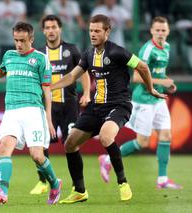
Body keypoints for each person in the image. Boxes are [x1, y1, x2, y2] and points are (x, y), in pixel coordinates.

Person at [51, 14, 166, 204]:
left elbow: (143, 67)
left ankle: (123, 183)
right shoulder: (88, 54)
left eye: (97, 31)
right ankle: (79, 191)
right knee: (70, 144)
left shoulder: (117, 52)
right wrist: (49, 87)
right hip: (96, 107)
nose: (93, 34)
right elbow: (72, 76)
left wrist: (151, 88)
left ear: (107, 32)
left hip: (119, 105)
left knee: (106, 136)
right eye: (91, 30)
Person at [0, 21, 62, 205]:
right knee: (4, 147)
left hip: (33, 110)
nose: (19, 44)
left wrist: (48, 118)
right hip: (11, 110)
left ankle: (55, 184)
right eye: (16, 40)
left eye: (23, 40)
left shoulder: (41, 59)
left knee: (37, 156)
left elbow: (47, 91)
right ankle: (3, 191)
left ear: (31, 38)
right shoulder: (9, 55)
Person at [98, 16, 182, 189]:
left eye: (163, 30)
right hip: (144, 101)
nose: (160, 33)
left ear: (168, 32)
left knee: (166, 136)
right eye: (157, 30)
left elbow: (157, 74)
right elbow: (136, 77)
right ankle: (107, 159)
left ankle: (162, 180)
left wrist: (166, 82)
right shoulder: (147, 50)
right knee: (142, 142)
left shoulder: (166, 47)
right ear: (151, 31)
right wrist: (162, 83)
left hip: (158, 99)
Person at [29, 14, 91, 195]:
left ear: (60, 29)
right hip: (47, 108)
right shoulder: (39, 54)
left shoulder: (71, 50)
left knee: (72, 145)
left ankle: (77, 185)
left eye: (54, 27)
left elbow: (83, 73)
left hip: (69, 105)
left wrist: (86, 93)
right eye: (47, 28)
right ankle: (43, 182)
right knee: (39, 145)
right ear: (43, 31)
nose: (51, 30)